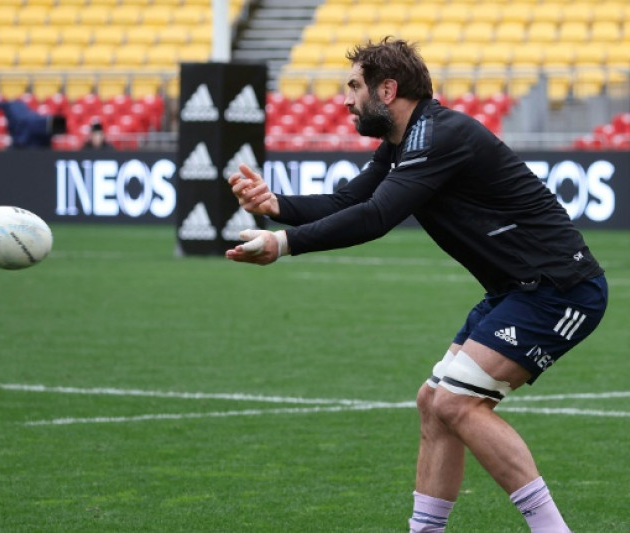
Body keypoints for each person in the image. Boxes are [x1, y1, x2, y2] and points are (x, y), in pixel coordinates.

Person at [225, 38, 608, 532]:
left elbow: (378, 216)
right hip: (517, 291)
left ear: (387, 89)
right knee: (433, 402)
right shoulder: (408, 139)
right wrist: (277, 204)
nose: (346, 100)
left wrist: (284, 244)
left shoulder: (438, 134)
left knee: (457, 402)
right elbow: (350, 202)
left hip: (561, 289)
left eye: (354, 87)